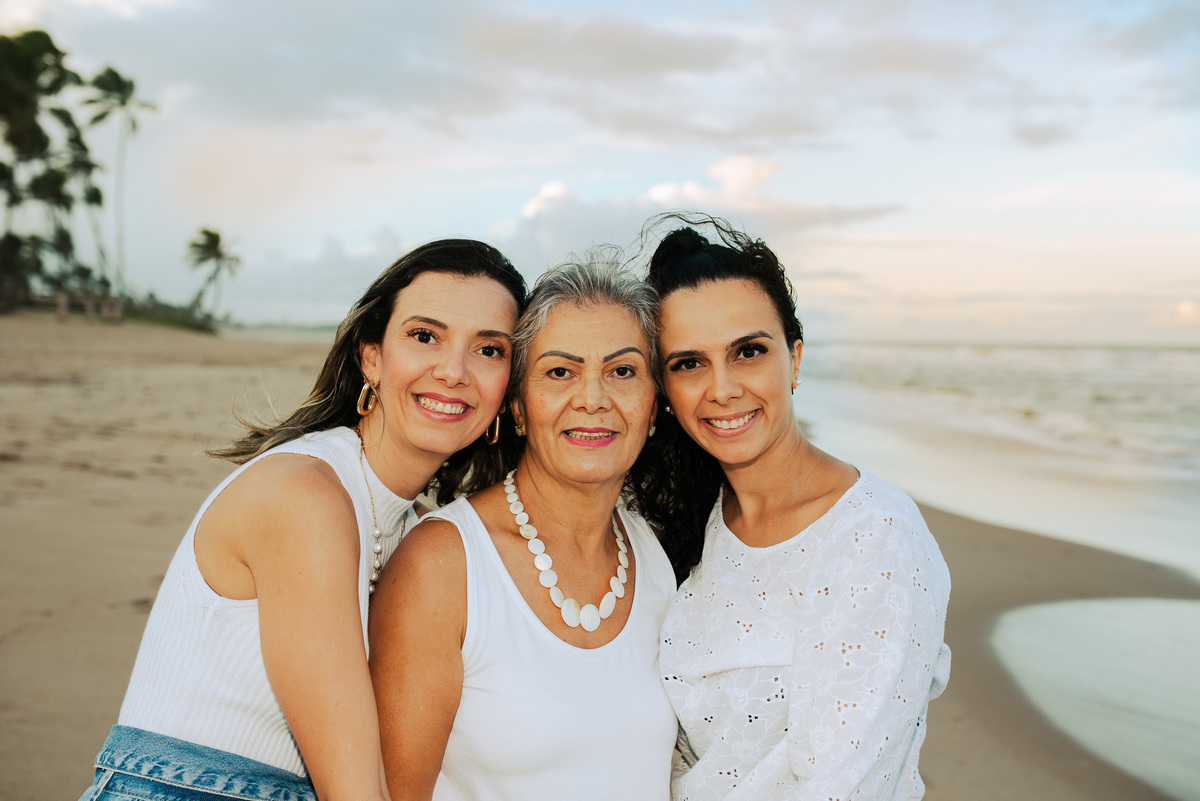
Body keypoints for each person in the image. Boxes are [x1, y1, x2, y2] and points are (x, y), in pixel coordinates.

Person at [78, 239, 526, 801]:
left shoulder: (416, 527)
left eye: (489, 350)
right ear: (371, 356)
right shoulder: (304, 494)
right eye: (424, 336)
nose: (454, 371)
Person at [636, 216, 952, 800]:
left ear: (795, 358)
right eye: (688, 363)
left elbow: (844, 788)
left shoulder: (873, 536)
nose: (723, 388)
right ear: (664, 388)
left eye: (748, 352)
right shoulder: (684, 523)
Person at [369, 259, 677, 801]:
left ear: (655, 406)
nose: (593, 398)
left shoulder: (652, 556)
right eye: (560, 372)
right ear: (516, 405)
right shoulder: (444, 564)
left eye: (623, 371)